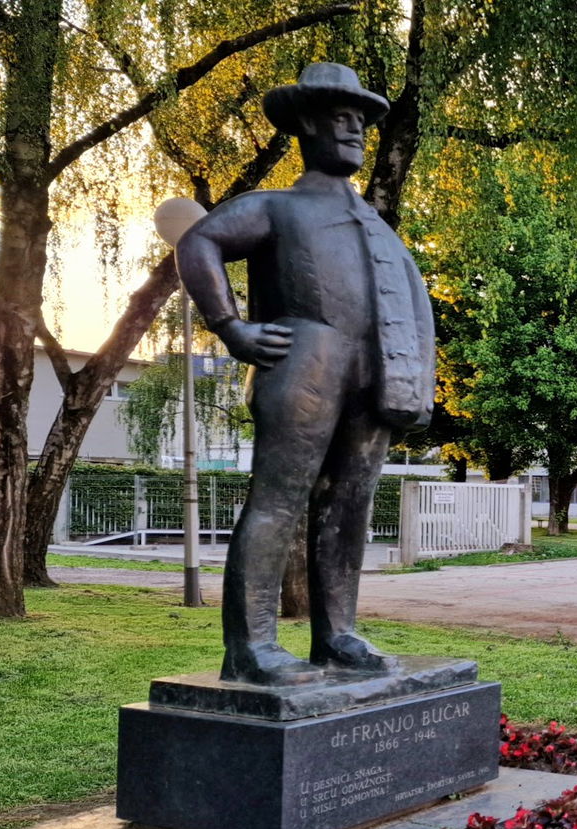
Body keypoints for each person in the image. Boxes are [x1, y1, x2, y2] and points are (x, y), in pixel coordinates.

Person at [176, 63, 431, 685]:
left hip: (376, 376)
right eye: (340, 119)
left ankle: (337, 635)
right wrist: (231, 328)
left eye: (362, 122)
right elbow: (197, 243)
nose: (355, 132)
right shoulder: (277, 208)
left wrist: (416, 381)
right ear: (308, 127)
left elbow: (411, 305)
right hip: (306, 358)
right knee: (279, 499)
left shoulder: (378, 228)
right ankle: (251, 647)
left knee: (351, 504)